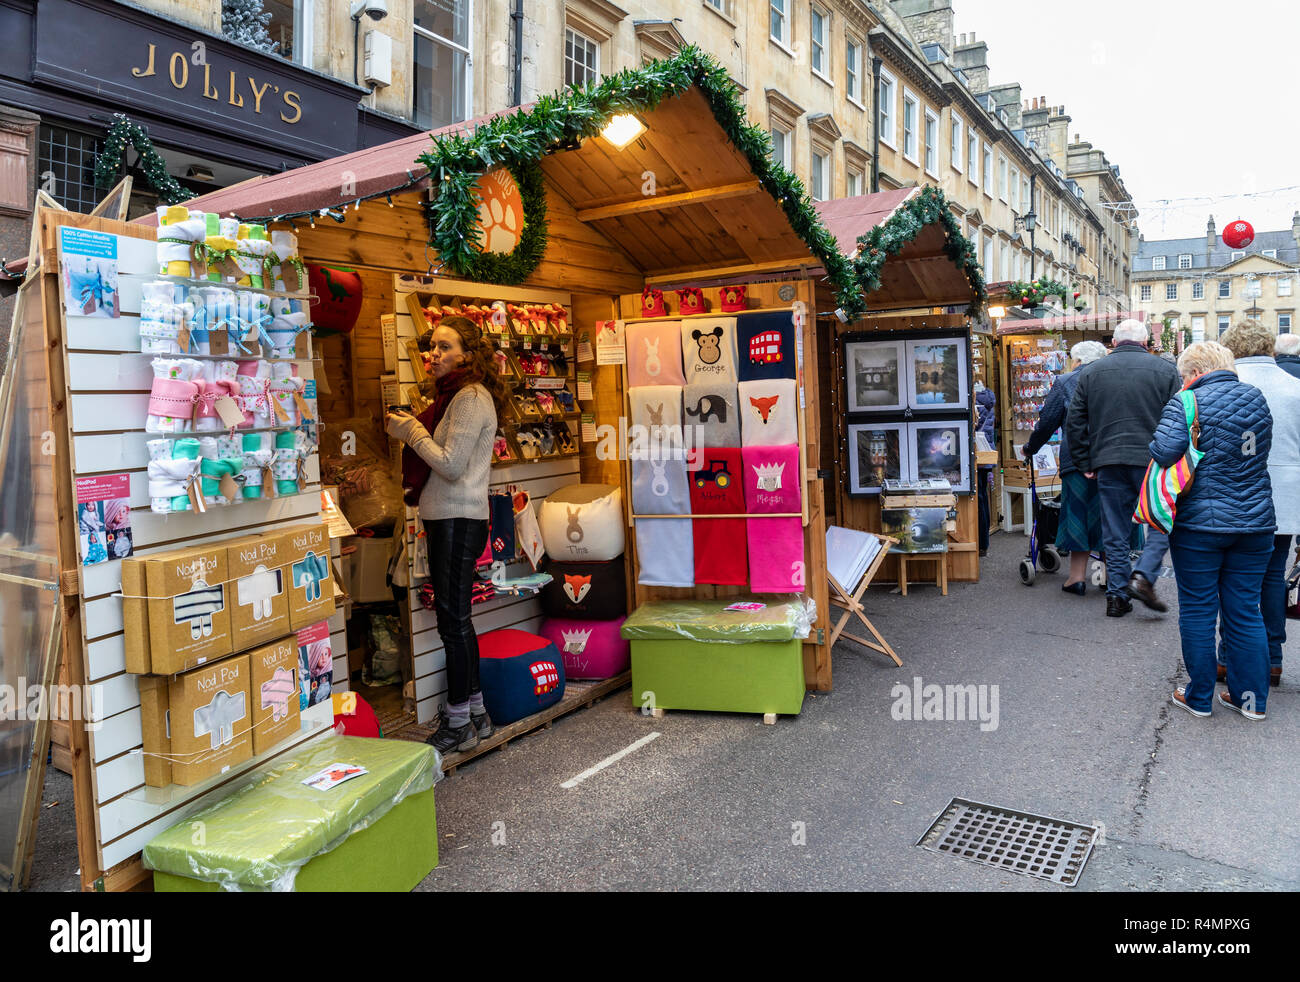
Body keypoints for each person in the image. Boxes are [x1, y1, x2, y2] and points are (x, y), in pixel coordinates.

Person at [385, 315, 509, 754]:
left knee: (452, 624)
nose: (432, 355)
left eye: (443, 347)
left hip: (457, 520)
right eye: (431, 347)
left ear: (468, 355)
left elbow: (452, 465)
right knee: (457, 623)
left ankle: (458, 722)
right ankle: (476, 713)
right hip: (451, 520)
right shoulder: (456, 396)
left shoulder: (470, 398)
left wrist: (411, 431)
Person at [1152, 342, 1275, 721]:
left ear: (1191, 372)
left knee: (1199, 609)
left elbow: (1164, 452)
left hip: (1199, 526)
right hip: (1255, 523)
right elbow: (1255, 452)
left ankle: (1200, 697)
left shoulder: (1186, 402)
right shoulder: (1256, 398)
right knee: (1245, 611)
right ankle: (1250, 701)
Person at [1065, 320, 1181, 617]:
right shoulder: (1166, 371)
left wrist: (1084, 461)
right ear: (1145, 343)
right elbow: (1179, 419)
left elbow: (1076, 421)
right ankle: (1142, 575)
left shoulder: (1090, 372)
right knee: (1160, 521)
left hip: (1109, 459)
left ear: (1113, 343)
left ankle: (1117, 597)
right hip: (1154, 462)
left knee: (1114, 530)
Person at [1220, 321, 1300, 688]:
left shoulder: (1225, 387)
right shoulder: (1295, 388)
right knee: (1271, 576)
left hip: (1232, 495)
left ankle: (1228, 658)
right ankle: (1272, 659)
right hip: (1283, 495)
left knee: (1232, 578)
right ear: (1270, 347)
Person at [1022, 340, 1108, 594]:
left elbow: (1047, 421)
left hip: (1076, 460)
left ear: (1077, 360)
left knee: (1078, 516)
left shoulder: (1066, 381)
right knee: (1106, 517)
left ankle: (1077, 578)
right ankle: (1106, 577)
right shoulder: (1111, 380)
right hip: (1109, 459)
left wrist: (1030, 448)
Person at [975, 383, 996, 556]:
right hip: (986, 454)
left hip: (977, 455)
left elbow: (973, 427)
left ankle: (981, 542)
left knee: (979, 499)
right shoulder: (989, 400)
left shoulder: (975, 402)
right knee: (983, 497)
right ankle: (984, 543)